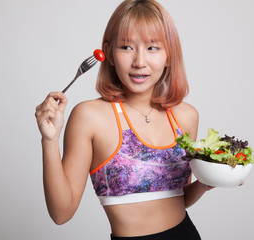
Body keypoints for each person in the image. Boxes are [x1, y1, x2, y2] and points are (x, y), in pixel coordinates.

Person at [35, 0, 213, 239]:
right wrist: (50, 140)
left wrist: (207, 181)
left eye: (152, 48)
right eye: (127, 47)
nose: (140, 61)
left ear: (169, 55)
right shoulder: (89, 117)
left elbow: (177, 198)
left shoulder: (185, 116)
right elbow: (61, 213)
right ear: (108, 53)